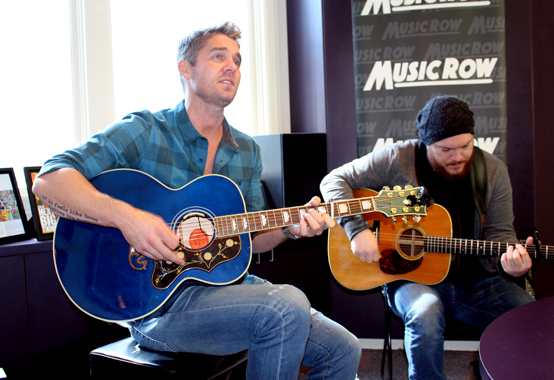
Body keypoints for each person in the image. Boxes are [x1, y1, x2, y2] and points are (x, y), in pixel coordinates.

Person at [33, 22, 361, 380]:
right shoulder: (146, 131)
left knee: (344, 349)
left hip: (227, 291)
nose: (232, 66)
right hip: (156, 306)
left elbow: (252, 236)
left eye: (237, 60)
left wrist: (289, 227)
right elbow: (50, 180)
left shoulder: (245, 150)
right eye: (218, 57)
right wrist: (127, 218)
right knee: (285, 305)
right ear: (184, 69)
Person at [320, 95, 534, 380]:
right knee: (425, 312)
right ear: (426, 143)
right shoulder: (399, 157)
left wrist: (509, 264)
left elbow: (500, 236)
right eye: (446, 149)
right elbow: (333, 181)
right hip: (411, 278)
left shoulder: (492, 171)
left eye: (466, 146)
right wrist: (357, 229)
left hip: (477, 281)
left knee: (531, 316)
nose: (458, 157)